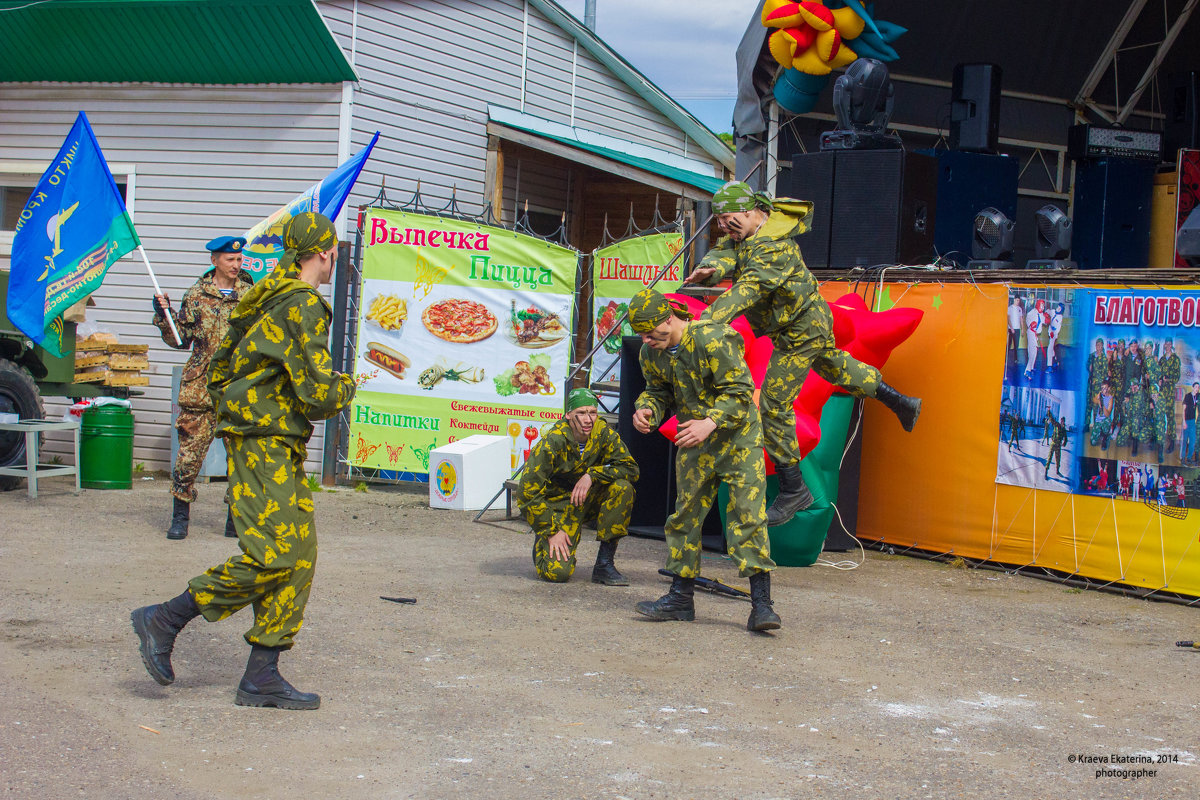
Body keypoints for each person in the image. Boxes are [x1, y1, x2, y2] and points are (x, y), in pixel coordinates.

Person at [132, 212, 355, 711]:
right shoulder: (301, 305)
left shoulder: (262, 296)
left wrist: (238, 409)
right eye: (334, 250)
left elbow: (220, 367)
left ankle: (262, 674)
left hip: (269, 439)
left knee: (299, 555)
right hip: (264, 442)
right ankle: (166, 617)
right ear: (326, 253)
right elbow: (319, 395)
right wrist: (352, 383)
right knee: (274, 554)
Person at [682, 181, 920, 526]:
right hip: (799, 323)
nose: (724, 228)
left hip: (800, 329)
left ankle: (794, 488)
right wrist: (713, 268)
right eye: (720, 222)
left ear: (750, 212)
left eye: (729, 220)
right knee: (838, 368)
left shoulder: (773, 248)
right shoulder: (746, 233)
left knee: (773, 404)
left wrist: (707, 321)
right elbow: (727, 251)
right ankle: (900, 402)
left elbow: (748, 290)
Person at [628, 288, 780, 632]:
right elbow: (657, 389)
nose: (648, 340)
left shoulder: (712, 338)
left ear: (670, 318)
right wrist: (646, 408)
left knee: (747, 516)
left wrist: (709, 423)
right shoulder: (652, 353)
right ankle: (680, 598)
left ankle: (762, 606)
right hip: (696, 441)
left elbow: (741, 393)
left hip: (737, 437)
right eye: (642, 335)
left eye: (653, 332)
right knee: (685, 516)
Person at [153, 235, 254, 540]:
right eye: (229, 259)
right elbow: (179, 339)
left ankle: (234, 520)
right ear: (215, 261)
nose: (236, 264)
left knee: (240, 458)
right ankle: (180, 517)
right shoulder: (197, 295)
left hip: (236, 389)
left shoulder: (250, 295)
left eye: (239, 259)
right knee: (188, 457)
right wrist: (164, 315)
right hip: (201, 389)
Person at [518, 388, 639, 585]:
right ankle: (543, 544)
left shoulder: (603, 434)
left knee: (622, 488)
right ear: (568, 415)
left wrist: (592, 475)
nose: (588, 419)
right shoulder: (553, 441)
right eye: (581, 413)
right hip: (559, 506)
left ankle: (604, 564)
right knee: (557, 574)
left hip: (588, 499)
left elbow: (631, 469)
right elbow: (527, 492)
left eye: (592, 412)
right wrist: (550, 530)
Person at [1159, 339, 1182, 452]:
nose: (1167, 346)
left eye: (1169, 344)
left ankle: (1172, 442)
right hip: (1161, 392)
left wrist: (1168, 379)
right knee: (1160, 416)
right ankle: (1160, 440)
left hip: (1170, 392)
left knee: (1170, 417)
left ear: (1171, 345)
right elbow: (1158, 373)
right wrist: (1159, 379)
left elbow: (1177, 377)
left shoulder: (1175, 359)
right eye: (1166, 344)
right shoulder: (1162, 359)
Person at [1024, 299, 1045, 378]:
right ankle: (1027, 370)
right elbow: (1027, 318)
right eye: (1041, 305)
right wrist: (1030, 324)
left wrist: (1047, 320)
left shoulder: (1041, 314)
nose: (1042, 307)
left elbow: (1043, 322)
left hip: (1035, 333)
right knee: (1032, 351)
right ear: (1038, 304)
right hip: (1031, 332)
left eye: (1043, 305)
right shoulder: (1033, 311)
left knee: (1034, 351)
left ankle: (1031, 367)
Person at [1182, 382, 1199, 465]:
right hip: (1186, 421)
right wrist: (1184, 422)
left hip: (1192, 421)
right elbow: (1183, 410)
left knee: (1192, 441)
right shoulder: (1188, 396)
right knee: (1185, 440)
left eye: (1198, 387)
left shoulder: (1198, 396)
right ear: (1192, 387)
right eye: (1196, 387)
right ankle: (1182, 458)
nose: (1197, 388)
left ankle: (1189, 458)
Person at [1046, 302, 1064, 371]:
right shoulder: (1053, 311)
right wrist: (1046, 314)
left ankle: (1049, 366)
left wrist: (1054, 333)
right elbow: (1047, 311)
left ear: (1061, 310)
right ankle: (1055, 361)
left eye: (1060, 308)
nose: (1058, 308)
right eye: (1058, 307)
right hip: (1050, 331)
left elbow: (1058, 328)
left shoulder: (1060, 317)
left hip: (1054, 334)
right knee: (1051, 348)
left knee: (1049, 348)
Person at [1007, 296, 1024, 367]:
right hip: (1011, 329)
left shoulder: (1019, 309)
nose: (1018, 302)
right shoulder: (1010, 308)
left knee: (1016, 345)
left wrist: (1022, 329)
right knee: (1009, 344)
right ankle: (1006, 359)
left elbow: (1021, 319)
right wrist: (1011, 328)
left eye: (1019, 301)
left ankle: (1016, 359)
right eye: (1017, 300)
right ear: (1014, 300)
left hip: (1017, 329)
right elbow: (1008, 319)